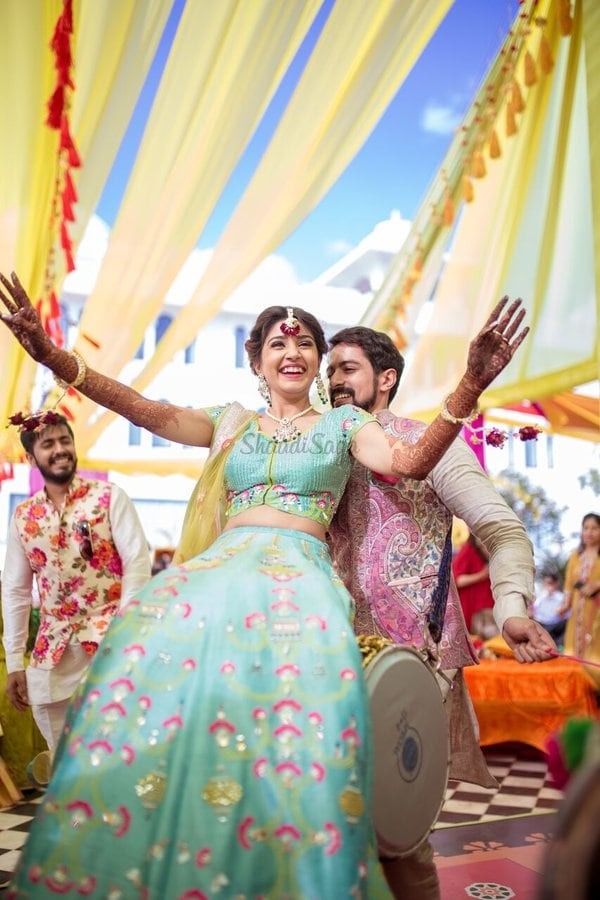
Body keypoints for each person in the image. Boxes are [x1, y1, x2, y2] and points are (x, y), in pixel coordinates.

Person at [0, 269, 528, 897]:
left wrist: (469, 385)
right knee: (149, 659)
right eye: (278, 343)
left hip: (304, 591)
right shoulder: (230, 423)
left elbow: (410, 463)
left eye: (306, 342)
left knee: (313, 753)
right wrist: (53, 356)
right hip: (218, 579)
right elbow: (145, 409)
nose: (294, 351)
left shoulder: (343, 426)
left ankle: (295, 864)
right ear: (256, 361)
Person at [326, 325, 556, 900]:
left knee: (396, 831)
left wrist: (511, 610)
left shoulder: (432, 442)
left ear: (386, 380)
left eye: (347, 368)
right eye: (330, 370)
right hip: (324, 655)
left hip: (413, 663)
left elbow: (502, 532)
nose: (333, 381)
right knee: (328, 826)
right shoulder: (318, 450)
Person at [1, 413, 151, 767]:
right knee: (61, 756)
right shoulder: (24, 516)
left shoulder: (109, 497)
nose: (60, 450)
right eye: (48, 444)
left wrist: (124, 631)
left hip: (110, 643)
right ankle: (71, 819)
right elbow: (16, 591)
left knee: (115, 749)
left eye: (64, 441)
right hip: (52, 652)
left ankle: (114, 818)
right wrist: (14, 664)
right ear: (31, 457)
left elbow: (138, 565)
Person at [560, 513, 600, 686]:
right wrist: (565, 604)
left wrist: (597, 584)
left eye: (594, 528)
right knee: (573, 655)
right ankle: (577, 697)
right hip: (577, 614)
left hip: (597, 615)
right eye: (586, 528)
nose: (589, 532)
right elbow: (569, 584)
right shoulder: (576, 556)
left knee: (594, 654)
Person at [452, 532, 495, 636]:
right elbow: (456, 580)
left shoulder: (489, 553)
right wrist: (481, 575)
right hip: (471, 613)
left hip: (488, 611)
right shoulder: (468, 550)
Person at [531, 572, 569, 643]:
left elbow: (566, 615)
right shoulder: (540, 597)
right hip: (541, 624)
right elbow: (535, 613)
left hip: (555, 627)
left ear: (556, 584)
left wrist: (561, 612)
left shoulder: (562, 598)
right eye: (546, 583)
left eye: (550, 583)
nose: (548, 586)